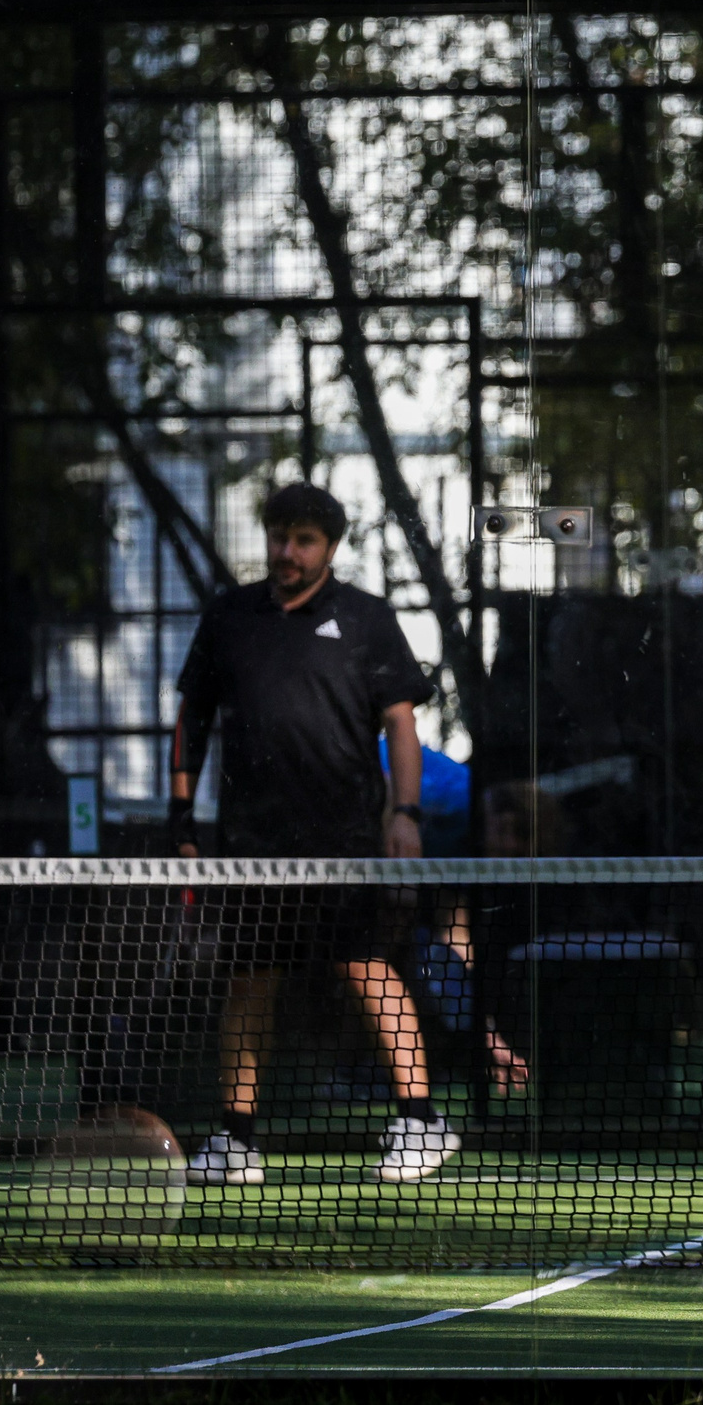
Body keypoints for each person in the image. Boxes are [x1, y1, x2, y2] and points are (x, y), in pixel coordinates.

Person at [170, 482, 461, 1186]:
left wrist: (405, 813)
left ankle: (421, 1121)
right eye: (279, 536)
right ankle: (236, 1138)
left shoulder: (365, 618)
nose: (287, 552)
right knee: (250, 980)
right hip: (251, 846)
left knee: (365, 967)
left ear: (329, 547)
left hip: (346, 839)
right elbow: (190, 722)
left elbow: (401, 722)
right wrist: (181, 820)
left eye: (303, 540)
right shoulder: (230, 617)